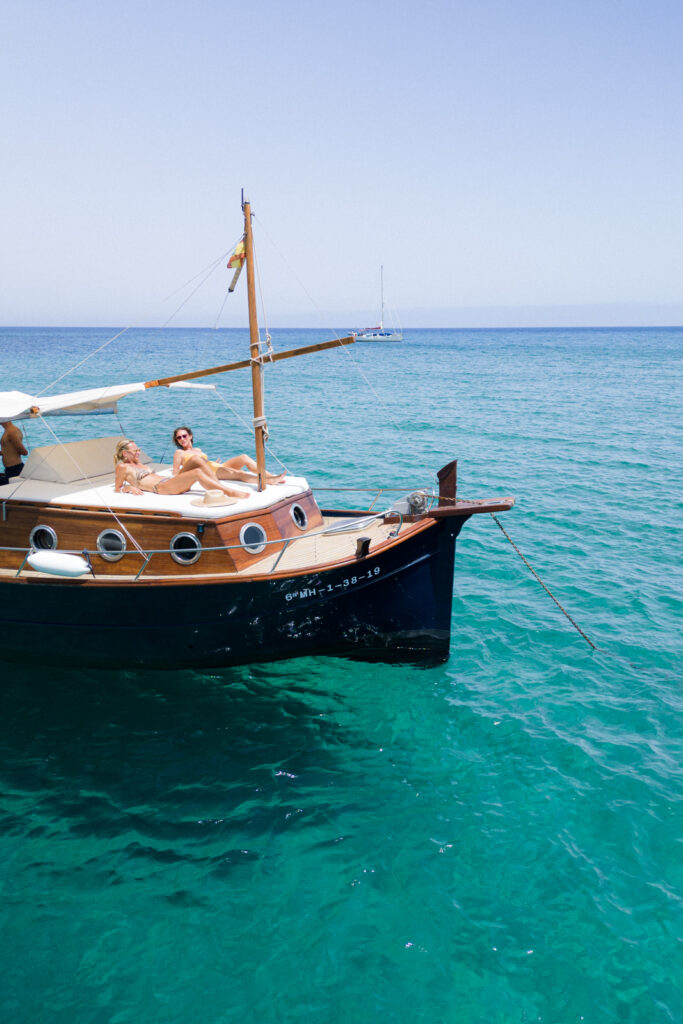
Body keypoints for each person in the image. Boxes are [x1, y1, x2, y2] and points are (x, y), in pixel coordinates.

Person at [114, 439, 248, 499]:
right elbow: (117, 488)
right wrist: (128, 488)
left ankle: (219, 487)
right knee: (197, 473)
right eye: (134, 450)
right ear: (125, 453)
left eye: (138, 449)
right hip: (162, 488)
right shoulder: (123, 467)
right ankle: (229, 492)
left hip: (170, 482)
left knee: (196, 460)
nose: (138, 452)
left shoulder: (140, 464)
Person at [171, 426, 285, 485]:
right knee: (240, 473)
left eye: (184, 436)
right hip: (210, 471)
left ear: (190, 436)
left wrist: (214, 463)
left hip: (215, 466)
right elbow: (176, 472)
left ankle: (270, 476)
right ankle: (269, 481)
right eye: (179, 438)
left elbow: (205, 461)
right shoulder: (179, 453)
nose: (182, 439)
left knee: (244, 458)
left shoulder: (198, 449)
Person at [0, 420, 28, 486]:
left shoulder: (11, 432)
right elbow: (8, 451)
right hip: (10, 469)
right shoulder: (8, 431)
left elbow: (24, 452)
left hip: (15, 469)